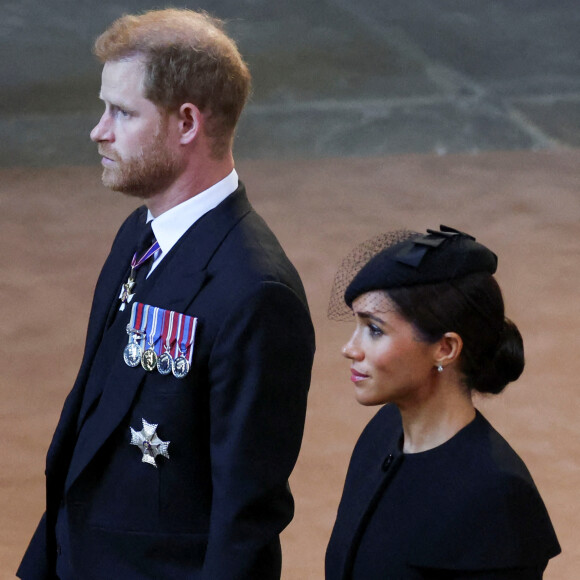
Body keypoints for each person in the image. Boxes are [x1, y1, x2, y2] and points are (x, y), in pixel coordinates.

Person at [18, 9, 315, 579]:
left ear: (186, 123)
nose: (98, 131)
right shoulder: (140, 235)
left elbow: (244, 524)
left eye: (122, 112)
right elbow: (91, 427)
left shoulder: (255, 293)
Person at [325, 225, 560, 579]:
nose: (350, 348)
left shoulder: (498, 496)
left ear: (445, 348)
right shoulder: (381, 434)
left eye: (374, 329)